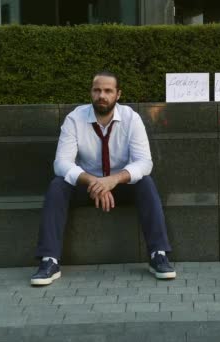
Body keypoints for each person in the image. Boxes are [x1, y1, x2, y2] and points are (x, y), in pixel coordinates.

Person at [31, 71, 175, 286]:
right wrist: (94, 182)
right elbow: (61, 163)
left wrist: (113, 180)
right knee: (58, 185)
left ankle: (158, 255)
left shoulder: (131, 118)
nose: (102, 95)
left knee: (145, 182)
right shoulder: (74, 118)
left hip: (121, 186)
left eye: (108, 91)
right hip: (86, 186)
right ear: (91, 92)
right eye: (97, 90)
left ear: (118, 94)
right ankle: (49, 260)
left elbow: (145, 162)